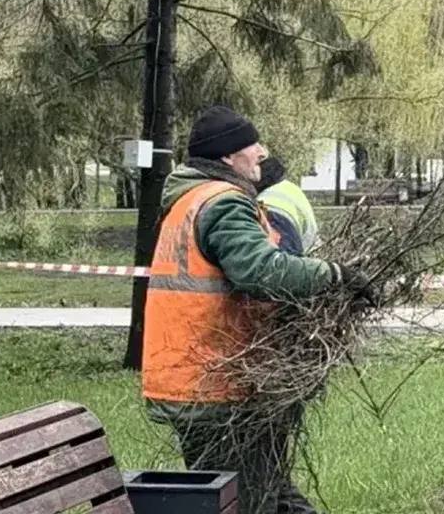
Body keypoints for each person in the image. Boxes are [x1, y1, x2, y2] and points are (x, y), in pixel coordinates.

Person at [142, 105, 373, 514]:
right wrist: (334, 275)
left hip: (210, 379)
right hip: (216, 386)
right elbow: (261, 271)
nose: (262, 153)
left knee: (273, 495)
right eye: (253, 145)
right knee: (250, 503)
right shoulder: (222, 203)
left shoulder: (191, 201)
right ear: (229, 157)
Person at [257, 157, 320, 256]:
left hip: (299, 260)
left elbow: (281, 264)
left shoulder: (268, 205)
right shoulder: (289, 188)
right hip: (312, 254)